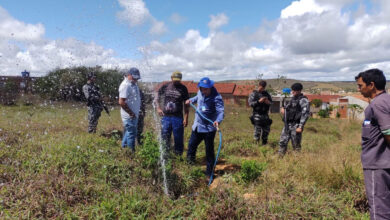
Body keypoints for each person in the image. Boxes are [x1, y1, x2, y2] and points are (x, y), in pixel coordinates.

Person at [355, 68, 390, 219]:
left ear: (372, 85)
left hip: (378, 164)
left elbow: (388, 132)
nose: (359, 89)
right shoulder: (386, 100)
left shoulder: (378, 104)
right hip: (384, 163)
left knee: (378, 208)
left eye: (361, 85)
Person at [186, 77, 224, 177]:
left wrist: (218, 121)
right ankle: (189, 168)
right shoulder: (200, 92)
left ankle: (209, 172)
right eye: (202, 89)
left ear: (211, 87)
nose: (204, 91)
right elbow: (196, 98)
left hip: (209, 129)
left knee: (209, 151)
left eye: (206, 89)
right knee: (191, 147)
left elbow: (220, 112)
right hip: (197, 127)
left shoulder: (217, 97)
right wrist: (190, 100)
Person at [156, 71, 189, 155]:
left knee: (178, 138)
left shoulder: (183, 88)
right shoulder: (166, 86)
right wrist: (158, 108)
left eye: (178, 80)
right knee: (165, 136)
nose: (177, 81)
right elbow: (157, 96)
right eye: (175, 80)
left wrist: (186, 117)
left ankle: (178, 156)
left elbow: (186, 104)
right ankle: (165, 154)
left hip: (177, 117)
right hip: (166, 117)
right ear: (171, 78)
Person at [278, 83, 310, 157]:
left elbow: (305, 114)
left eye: (294, 91)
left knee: (296, 145)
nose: (292, 92)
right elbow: (288, 108)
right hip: (287, 125)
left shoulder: (303, 100)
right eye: (292, 90)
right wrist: (283, 109)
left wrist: (300, 126)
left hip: (296, 125)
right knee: (282, 142)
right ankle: (280, 158)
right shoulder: (293, 99)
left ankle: (296, 161)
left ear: (298, 91)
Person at [118, 67, 141, 152]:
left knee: (129, 132)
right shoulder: (125, 85)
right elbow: (121, 102)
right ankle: (131, 153)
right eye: (134, 77)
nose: (136, 79)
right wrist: (131, 113)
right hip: (129, 115)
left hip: (133, 114)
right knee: (132, 134)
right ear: (129, 75)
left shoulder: (133, 84)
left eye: (137, 78)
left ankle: (124, 149)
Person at [248, 80, 273, 145]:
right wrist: (259, 101)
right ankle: (256, 146)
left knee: (266, 132)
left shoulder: (267, 94)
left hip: (265, 116)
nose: (262, 89)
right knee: (257, 132)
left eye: (263, 88)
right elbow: (250, 104)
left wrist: (268, 102)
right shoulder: (253, 94)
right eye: (261, 88)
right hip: (257, 115)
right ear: (258, 86)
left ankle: (264, 145)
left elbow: (271, 103)